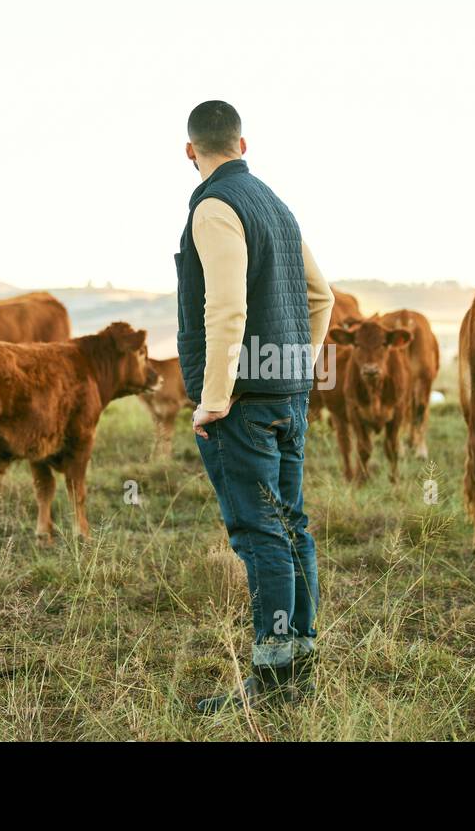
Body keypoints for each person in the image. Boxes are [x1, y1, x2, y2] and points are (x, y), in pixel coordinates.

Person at [175, 100, 335, 712]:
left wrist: (214, 400)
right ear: (244, 144)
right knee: (293, 528)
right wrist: (298, 366)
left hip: (241, 404)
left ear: (191, 151)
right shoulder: (278, 206)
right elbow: (321, 295)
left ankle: (270, 683)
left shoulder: (215, 207)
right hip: (287, 396)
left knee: (260, 533)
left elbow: (226, 308)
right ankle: (300, 671)